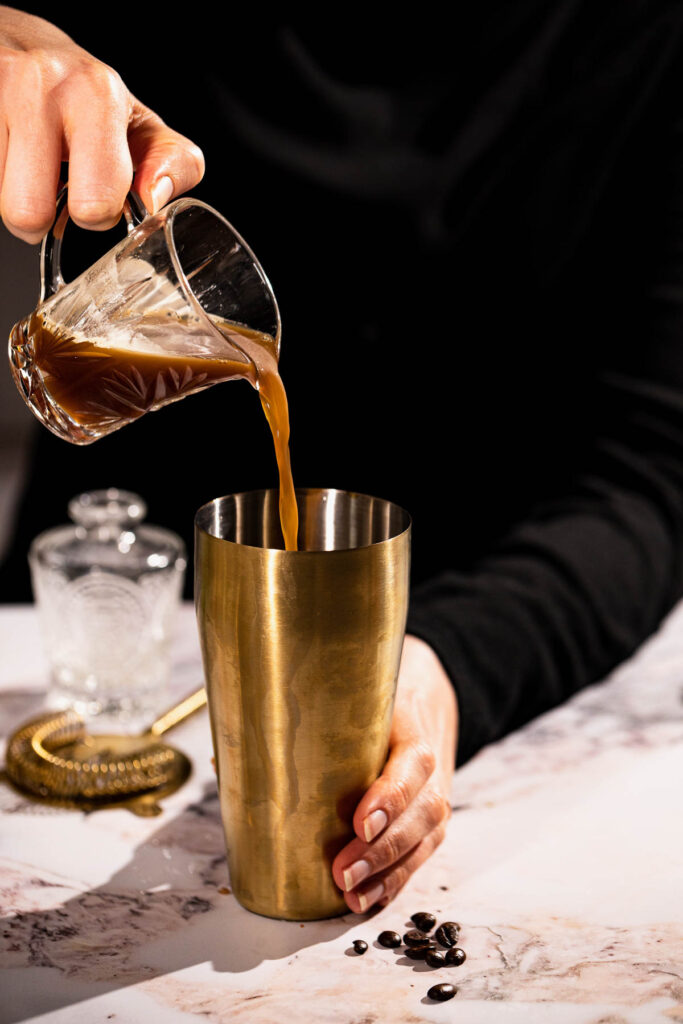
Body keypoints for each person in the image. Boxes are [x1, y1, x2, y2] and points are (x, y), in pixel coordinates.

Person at [2, 4, 683, 917]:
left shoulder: (647, 39)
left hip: (469, 602)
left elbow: (651, 477)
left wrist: (444, 675)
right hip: (95, 640)